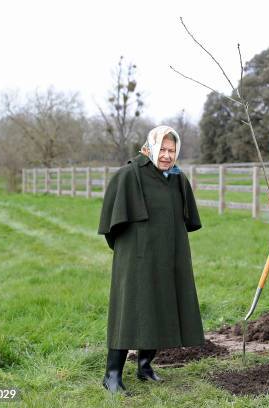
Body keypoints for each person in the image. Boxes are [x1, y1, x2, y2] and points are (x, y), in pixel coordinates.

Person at [98, 125, 204, 393]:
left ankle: (145, 366)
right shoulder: (128, 175)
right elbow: (112, 226)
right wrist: (130, 252)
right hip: (136, 257)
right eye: (163, 149)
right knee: (130, 309)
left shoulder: (177, 179)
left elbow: (186, 218)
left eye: (172, 150)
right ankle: (112, 374)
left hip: (169, 254)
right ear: (151, 147)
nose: (167, 155)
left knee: (160, 304)